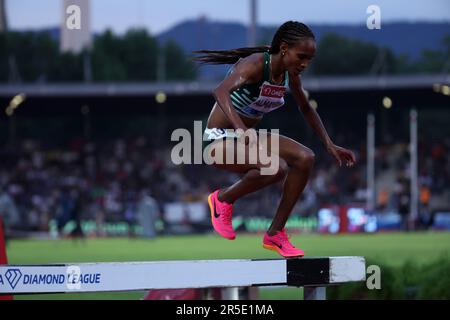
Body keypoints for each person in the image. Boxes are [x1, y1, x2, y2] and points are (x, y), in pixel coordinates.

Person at [193, 21, 356, 258]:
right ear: (283, 49)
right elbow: (220, 91)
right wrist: (241, 129)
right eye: (301, 56)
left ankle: (275, 233)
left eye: (310, 59)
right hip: (219, 139)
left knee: (305, 157)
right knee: (275, 167)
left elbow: (306, 108)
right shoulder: (256, 64)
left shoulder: (290, 74)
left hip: (246, 136)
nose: (305, 64)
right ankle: (222, 200)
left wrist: (328, 143)